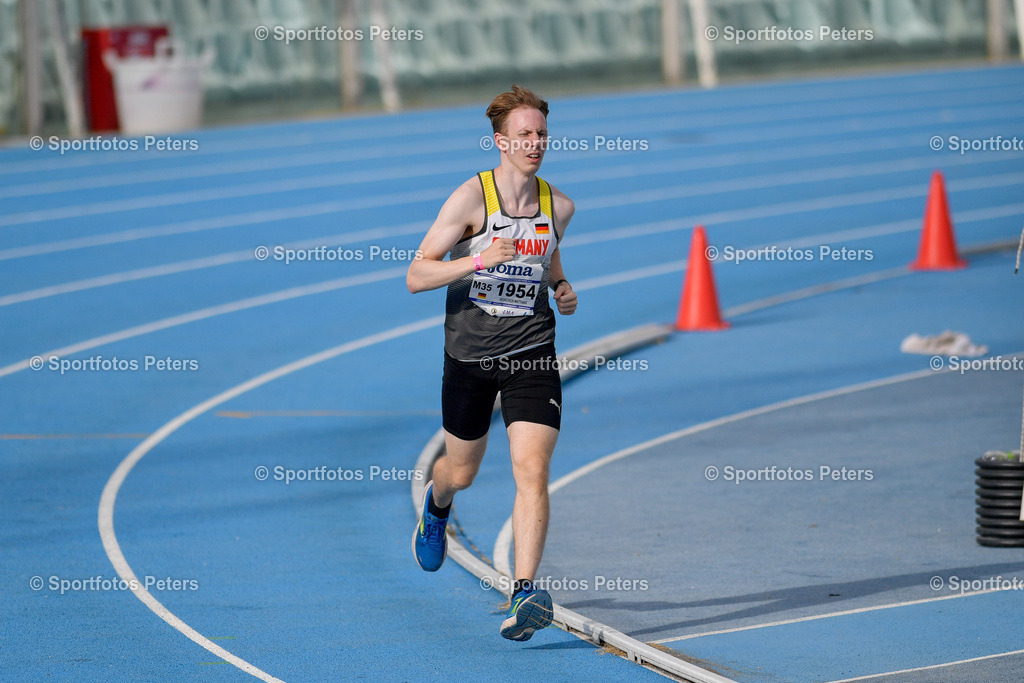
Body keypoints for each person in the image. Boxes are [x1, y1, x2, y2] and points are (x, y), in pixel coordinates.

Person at [407, 85, 577, 641]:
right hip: (470, 356)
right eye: (524, 135)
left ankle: (523, 594)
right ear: (500, 141)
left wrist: (561, 284)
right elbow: (416, 275)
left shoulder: (559, 205)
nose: (535, 143)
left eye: (541, 134)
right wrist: (477, 259)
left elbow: (547, 252)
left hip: (531, 351)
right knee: (464, 471)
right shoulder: (471, 199)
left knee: (532, 469)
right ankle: (437, 506)